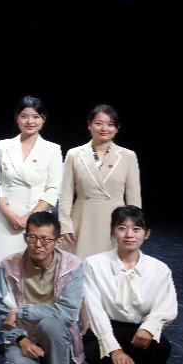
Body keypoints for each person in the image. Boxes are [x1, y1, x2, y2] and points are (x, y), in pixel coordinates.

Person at [81, 206, 176, 364]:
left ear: (146, 233)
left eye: (136, 229)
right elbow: (94, 310)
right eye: (122, 228)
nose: (129, 235)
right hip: (102, 331)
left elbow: (166, 306)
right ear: (112, 232)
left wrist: (149, 327)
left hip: (138, 332)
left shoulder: (159, 269)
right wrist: (113, 349)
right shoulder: (94, 264)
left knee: (161, 347)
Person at [0, 211, 86, 364]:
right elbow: (0, 313)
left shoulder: (72, 266)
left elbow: (68, 313)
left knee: (50, 324)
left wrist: (21, 311)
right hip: (20, 331)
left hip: (55, 329)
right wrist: (21, 339)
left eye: (45, 239)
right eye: (32, 237)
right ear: (25, 237)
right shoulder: (8, 266)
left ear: (58, 241)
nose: (38, 245)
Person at [0, 96, 64, 274]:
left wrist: (30, 216)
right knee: (3, 268)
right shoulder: (3, 146)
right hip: (5, 217)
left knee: (31, 270)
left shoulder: (52, 149)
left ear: (43, 119)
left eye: (36, 116)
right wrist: (6, 212)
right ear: (17, 118)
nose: (30, 121)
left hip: (36, 220)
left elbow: (53, 188)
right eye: (24, 116)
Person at [58, 104, 143, 259]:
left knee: (112, 265)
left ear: (117, 128)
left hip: (115, 221)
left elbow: (134, 197)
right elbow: (65, 194)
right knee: (80, 265)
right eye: (98, 123)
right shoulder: (74, 154)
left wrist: (134, 227)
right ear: (89, 125)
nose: (104, 128)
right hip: (82, 219)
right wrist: (65, 225)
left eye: (110, 124)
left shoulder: (128, 156)